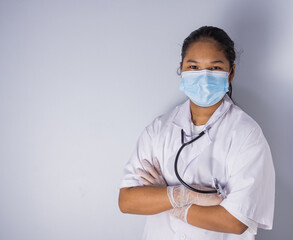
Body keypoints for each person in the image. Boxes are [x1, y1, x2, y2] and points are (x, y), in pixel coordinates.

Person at [118, 26, 275, 240]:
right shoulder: (159, 129)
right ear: (181, 68)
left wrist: (168, 202)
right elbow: (128, 201)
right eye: (194, 66)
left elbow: (236, 221)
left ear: (231, 72)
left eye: (215, 67)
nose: (204, 76)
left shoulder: (246, 134)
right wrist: (186, 195)